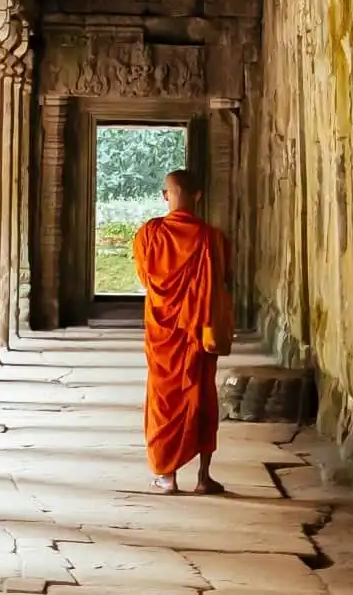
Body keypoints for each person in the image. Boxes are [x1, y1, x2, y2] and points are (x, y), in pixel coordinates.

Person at [132, 169, 232, 494]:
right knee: (201, 398)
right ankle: (204, 478)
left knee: (164, 400)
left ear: (165, 196)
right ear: (198, 195)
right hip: (196, 335)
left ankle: (167, 476)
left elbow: (146, 279)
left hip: (163, 336)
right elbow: (224, 281)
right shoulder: (212, 238)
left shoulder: (149, 234)